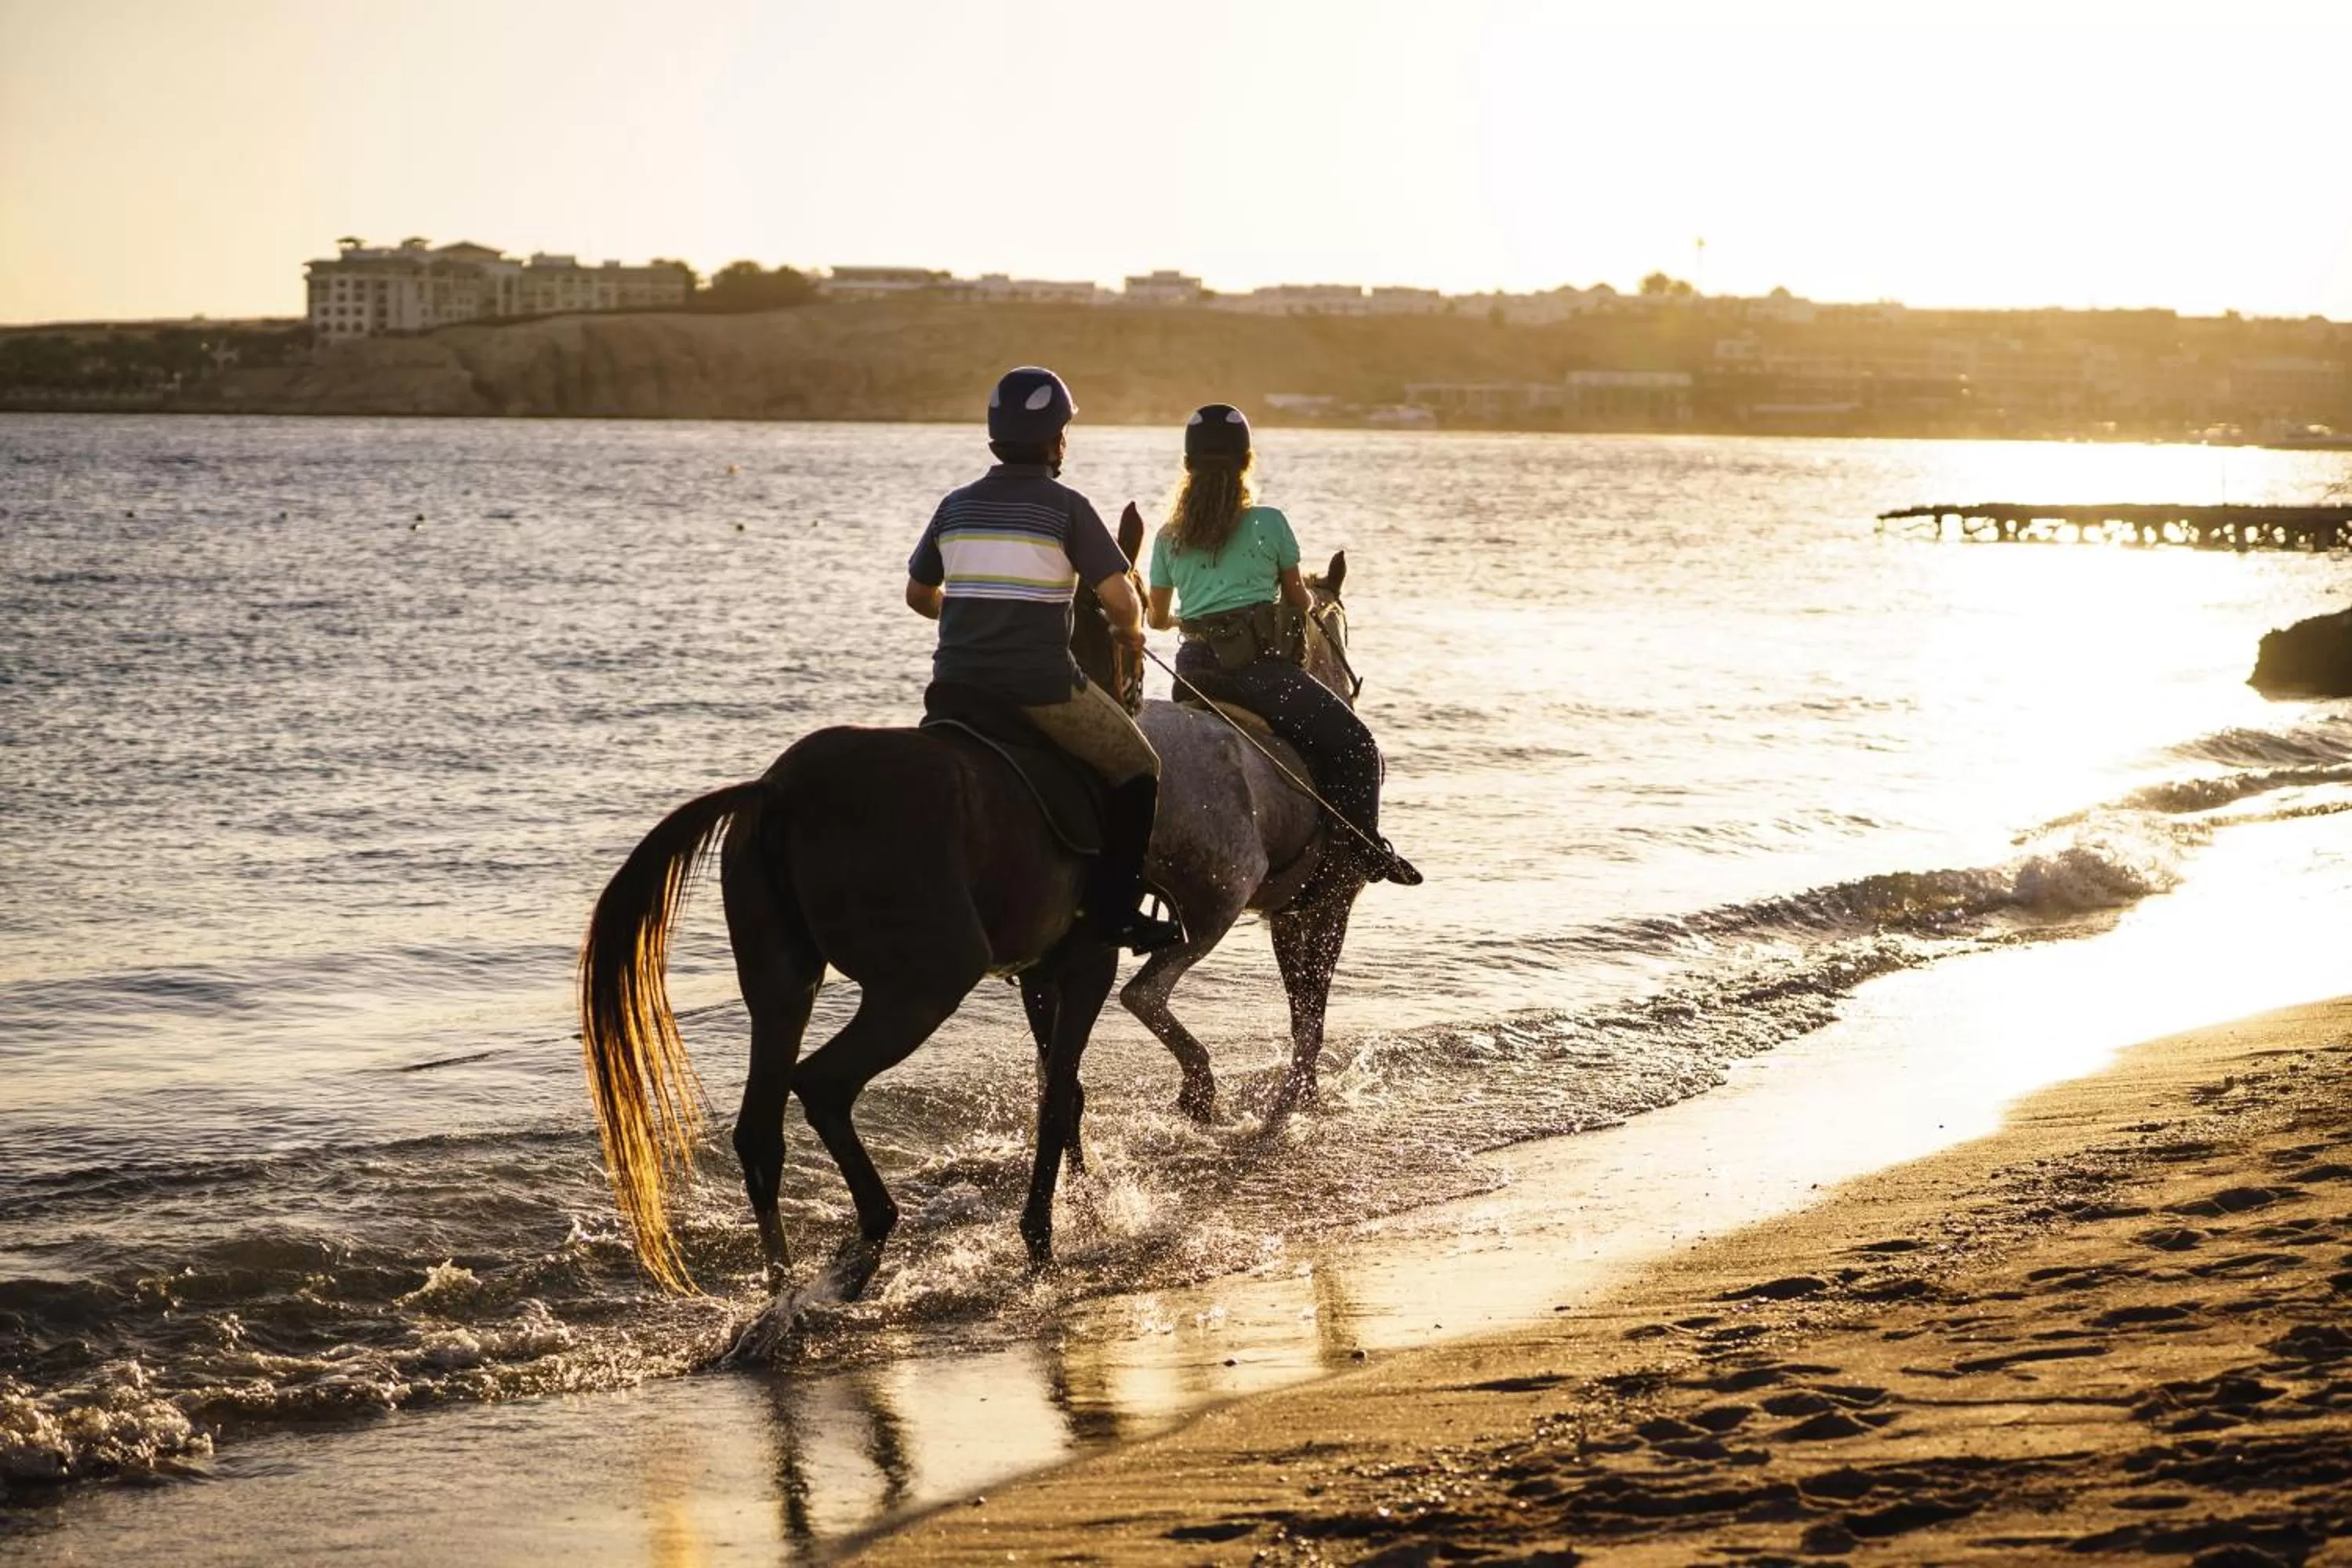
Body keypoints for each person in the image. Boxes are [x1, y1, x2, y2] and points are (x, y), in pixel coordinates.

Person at [906, 366, 1184, 953]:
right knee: (1141, 768)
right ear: (1058, 440)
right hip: (1041, 687)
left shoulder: (954, 506)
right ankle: (1116, 913)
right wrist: (1131, 631)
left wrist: (970, 616)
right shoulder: (1066, 508)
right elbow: (1118, 597)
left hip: (954, 687)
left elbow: (918, 596)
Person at [1145, 404, 1421, 887]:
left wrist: (1190, 613)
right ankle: (1364, 851)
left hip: (1193, 675)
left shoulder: (1169, 536)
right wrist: (1301, 598)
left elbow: (1158, 618)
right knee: (1358, 745)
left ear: (1188, 468)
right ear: (1246, 463)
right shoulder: (1269, 523)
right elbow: (1298, 598)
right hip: (1259, 676)